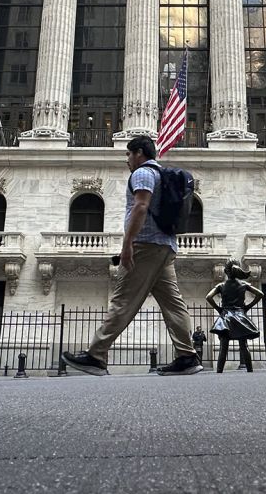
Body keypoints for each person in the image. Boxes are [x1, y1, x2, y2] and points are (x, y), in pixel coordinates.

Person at [61, 136, 202, 376]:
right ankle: (187, 356)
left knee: (123, 300)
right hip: (165, 246)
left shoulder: (143, 174)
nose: (126, 159)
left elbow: (140, 206)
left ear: (138, 152)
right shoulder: (161, 174)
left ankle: (96, 355)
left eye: (128, 154)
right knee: (173, 304)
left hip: (145, 246)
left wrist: (127, 244)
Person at [205, 259, 263, 373]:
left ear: (226, 271)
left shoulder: (221, 285)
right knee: (244, 346)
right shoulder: (244, 284)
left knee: (223, 347)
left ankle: (219, 371)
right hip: (240, 316)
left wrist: (219, 309)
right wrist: (247, 307)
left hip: (226, 316)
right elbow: (260, 294)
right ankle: (250, 370)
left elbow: (208, 297)